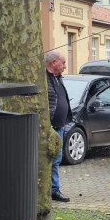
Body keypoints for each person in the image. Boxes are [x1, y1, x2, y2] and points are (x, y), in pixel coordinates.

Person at [46, 51, 72, 202]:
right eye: (63, 63)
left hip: (59, 126)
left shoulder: (58, 79)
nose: (65, 66)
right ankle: (51, 189)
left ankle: (54, 189)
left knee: (57, 158)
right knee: (50, 159)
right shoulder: (44, 79)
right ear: (54, 62)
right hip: (49, 128)